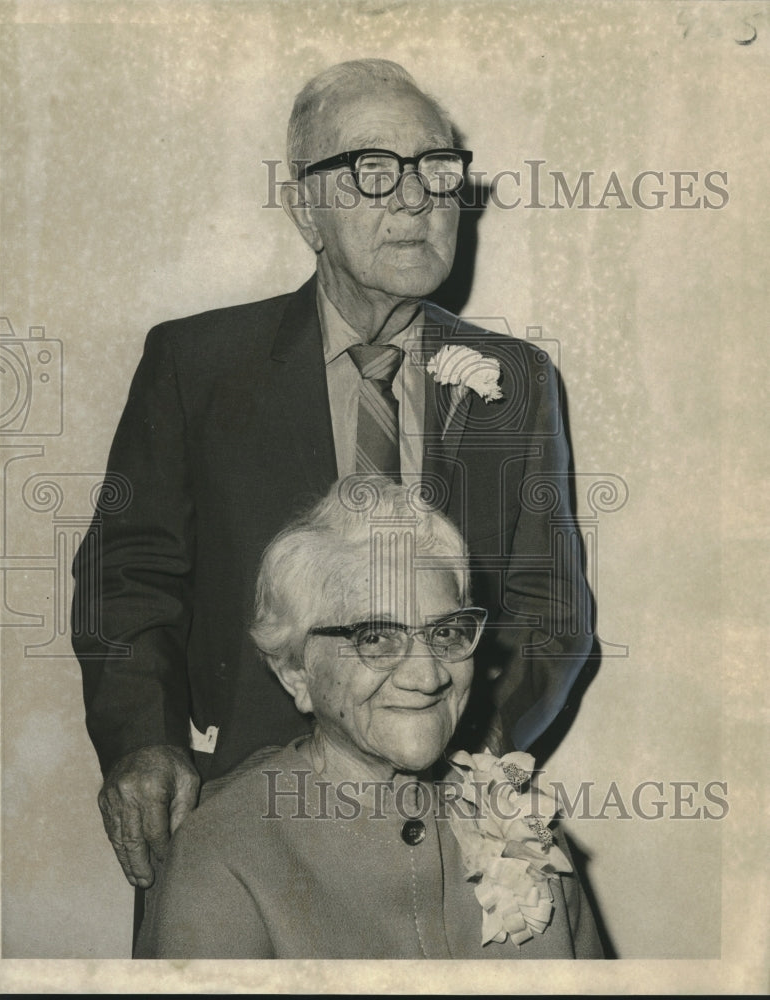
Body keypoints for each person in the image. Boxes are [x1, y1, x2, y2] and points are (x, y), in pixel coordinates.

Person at [71, 58, 593, 893]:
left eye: (436, 168)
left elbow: (550, 609)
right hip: (241, 810)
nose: (417, 199)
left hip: (448, 827)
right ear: (306, 207)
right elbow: (128, 575)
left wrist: (462, 753)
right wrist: (142, 738)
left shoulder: (515, 380)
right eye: (373, 172)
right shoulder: (196, 365)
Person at [135, 476, 602, 959]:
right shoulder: (224, 854)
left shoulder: (522, 821)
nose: (427, 676)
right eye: (375, 637)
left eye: (446, 632)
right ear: (296, 670)